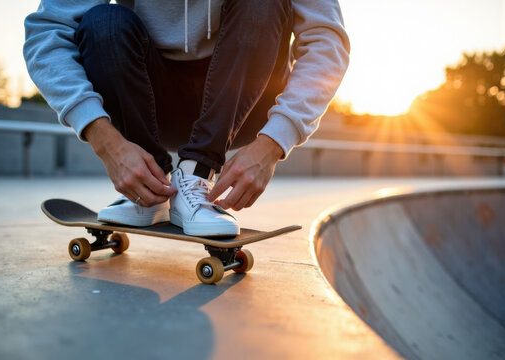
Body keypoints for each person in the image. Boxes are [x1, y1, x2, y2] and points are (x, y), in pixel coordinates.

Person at [23, 0, 349, 236]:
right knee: (103, 23)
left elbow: (326, 39)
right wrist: (104, 140)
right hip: (152, 98)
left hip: (244, 99)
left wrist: (275, 140)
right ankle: (151, 187)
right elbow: (48, 31)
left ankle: (197, 173)